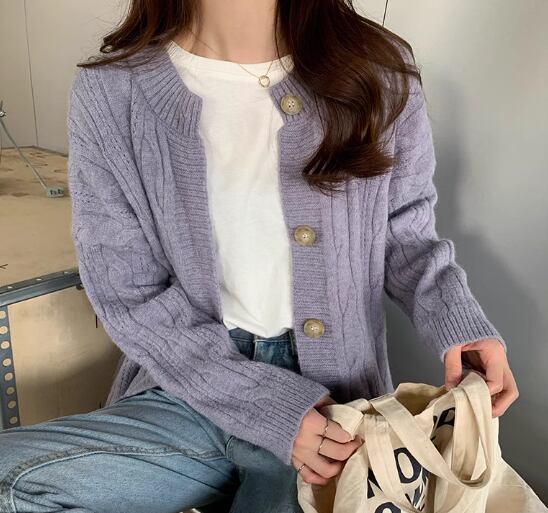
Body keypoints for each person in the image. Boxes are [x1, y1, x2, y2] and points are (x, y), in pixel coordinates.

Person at [0, 1, 519, 512]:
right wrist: (263, 405)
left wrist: (456, 322)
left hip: (333, 411)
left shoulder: (377, 71)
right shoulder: (112, 92)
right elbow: (128, 291)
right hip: (191, 389)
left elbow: (406, 236)